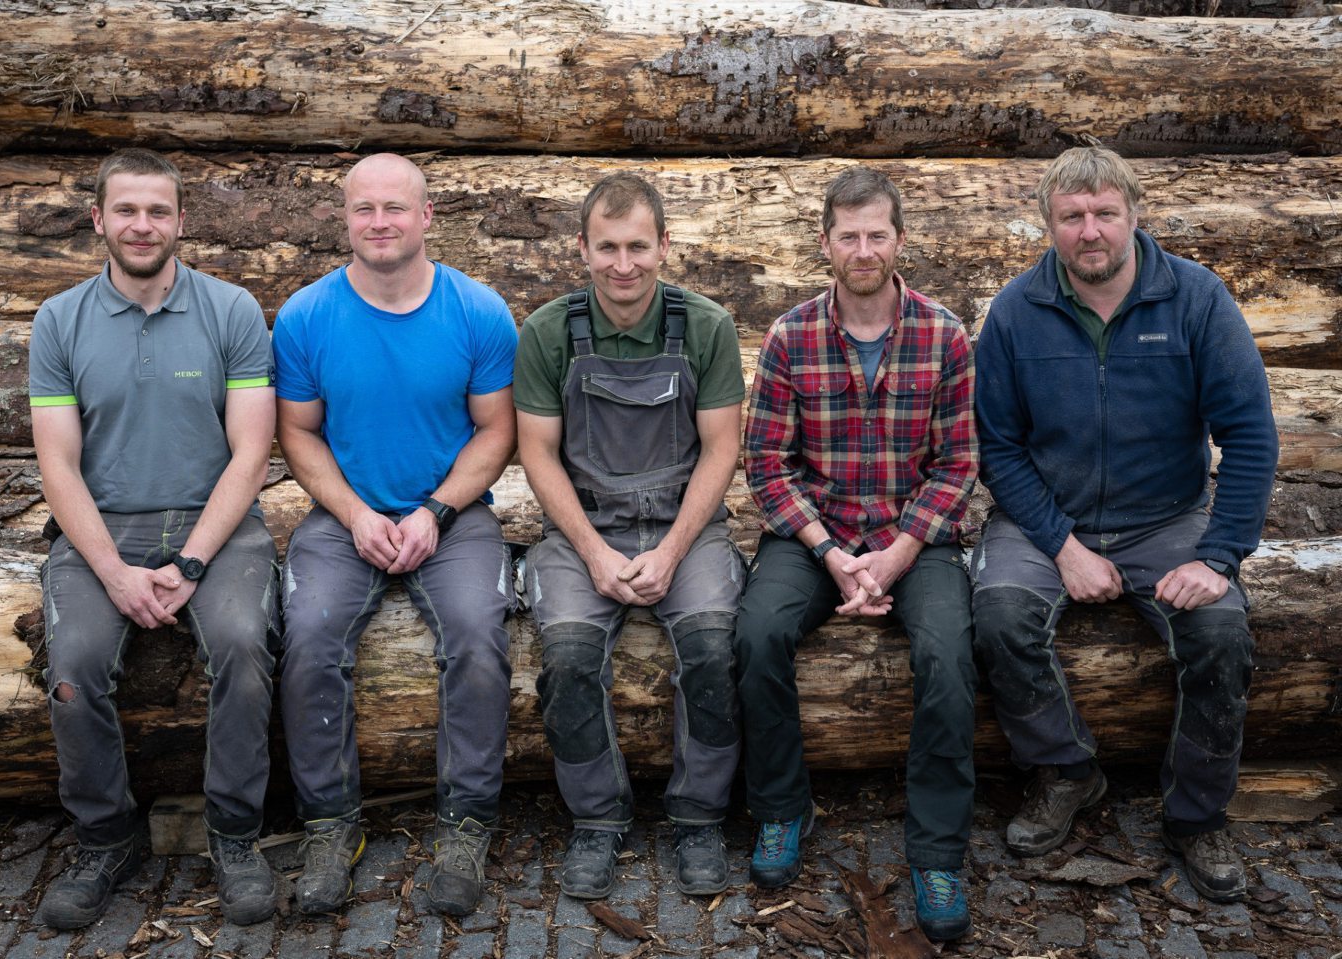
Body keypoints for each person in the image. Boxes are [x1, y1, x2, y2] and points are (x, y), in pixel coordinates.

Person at [973, 146, 1279, 903]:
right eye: (1072, 217)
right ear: (1048, 225)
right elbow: (997, 447)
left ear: (1134, 216)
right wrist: (1062, 545)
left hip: (1166, 517)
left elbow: (1250, 433)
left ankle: (1196, 812)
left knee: (1221, 632)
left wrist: (1219, 554)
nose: (1090, 231)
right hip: (1044, 517)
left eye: (1105, 213)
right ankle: (1066, 770)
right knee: (998, 612)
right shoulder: (1016, 310)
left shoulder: (1198, 299)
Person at [28, 148, 279, 929]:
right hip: (103, 524)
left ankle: (235, 833)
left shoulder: (232, 310)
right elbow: (57, 464)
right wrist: (113, 572)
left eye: (159, 211)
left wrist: (194, 559)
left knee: (242, 643)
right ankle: (106, 838)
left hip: (217, 521)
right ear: (99, 219)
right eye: (127, 211)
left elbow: (251, 451)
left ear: (181, 221)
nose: (143, 225)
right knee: (69, 666)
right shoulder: (58, 320)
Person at [734, 167, 979, 941]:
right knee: (755, 633)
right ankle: (780, 808)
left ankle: (936, 851)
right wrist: (832, 553)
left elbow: (958, 464)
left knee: (947, 651)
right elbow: (766, 464)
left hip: (917, 537)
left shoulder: (944, 335)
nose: (864, 248)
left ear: (901, 240)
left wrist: (901, 553)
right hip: (814, 536)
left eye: (878, 234)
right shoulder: (790, 336)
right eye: (850, 236)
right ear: (826, 243)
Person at [271, 153, 517, 918]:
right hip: (346, 515)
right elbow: (298, 434)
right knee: (308, 634)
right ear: (344, 219)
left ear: (427, 216)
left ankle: (467, 820)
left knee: (479, 631)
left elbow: (495, 430)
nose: (380, 223)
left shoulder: (478, 312)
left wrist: (435, 511)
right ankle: (329, 823)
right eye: (364, 209)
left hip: (452, 514)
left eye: (395, 208)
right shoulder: (307, 316)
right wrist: (354, 514)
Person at [514, 172, 746, 900]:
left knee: (713, 646)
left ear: (664, 246)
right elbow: (537, 453)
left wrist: (673, 549)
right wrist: (594, 551)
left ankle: (700, 815)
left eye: (638, 247)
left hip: (687, 524)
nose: (623, 265)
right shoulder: (550, 331)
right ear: (581, 248)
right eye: (607, 247)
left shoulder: (705, 326)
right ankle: (597, 819)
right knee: (569, 659)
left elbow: (721, 448)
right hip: (585, 527)